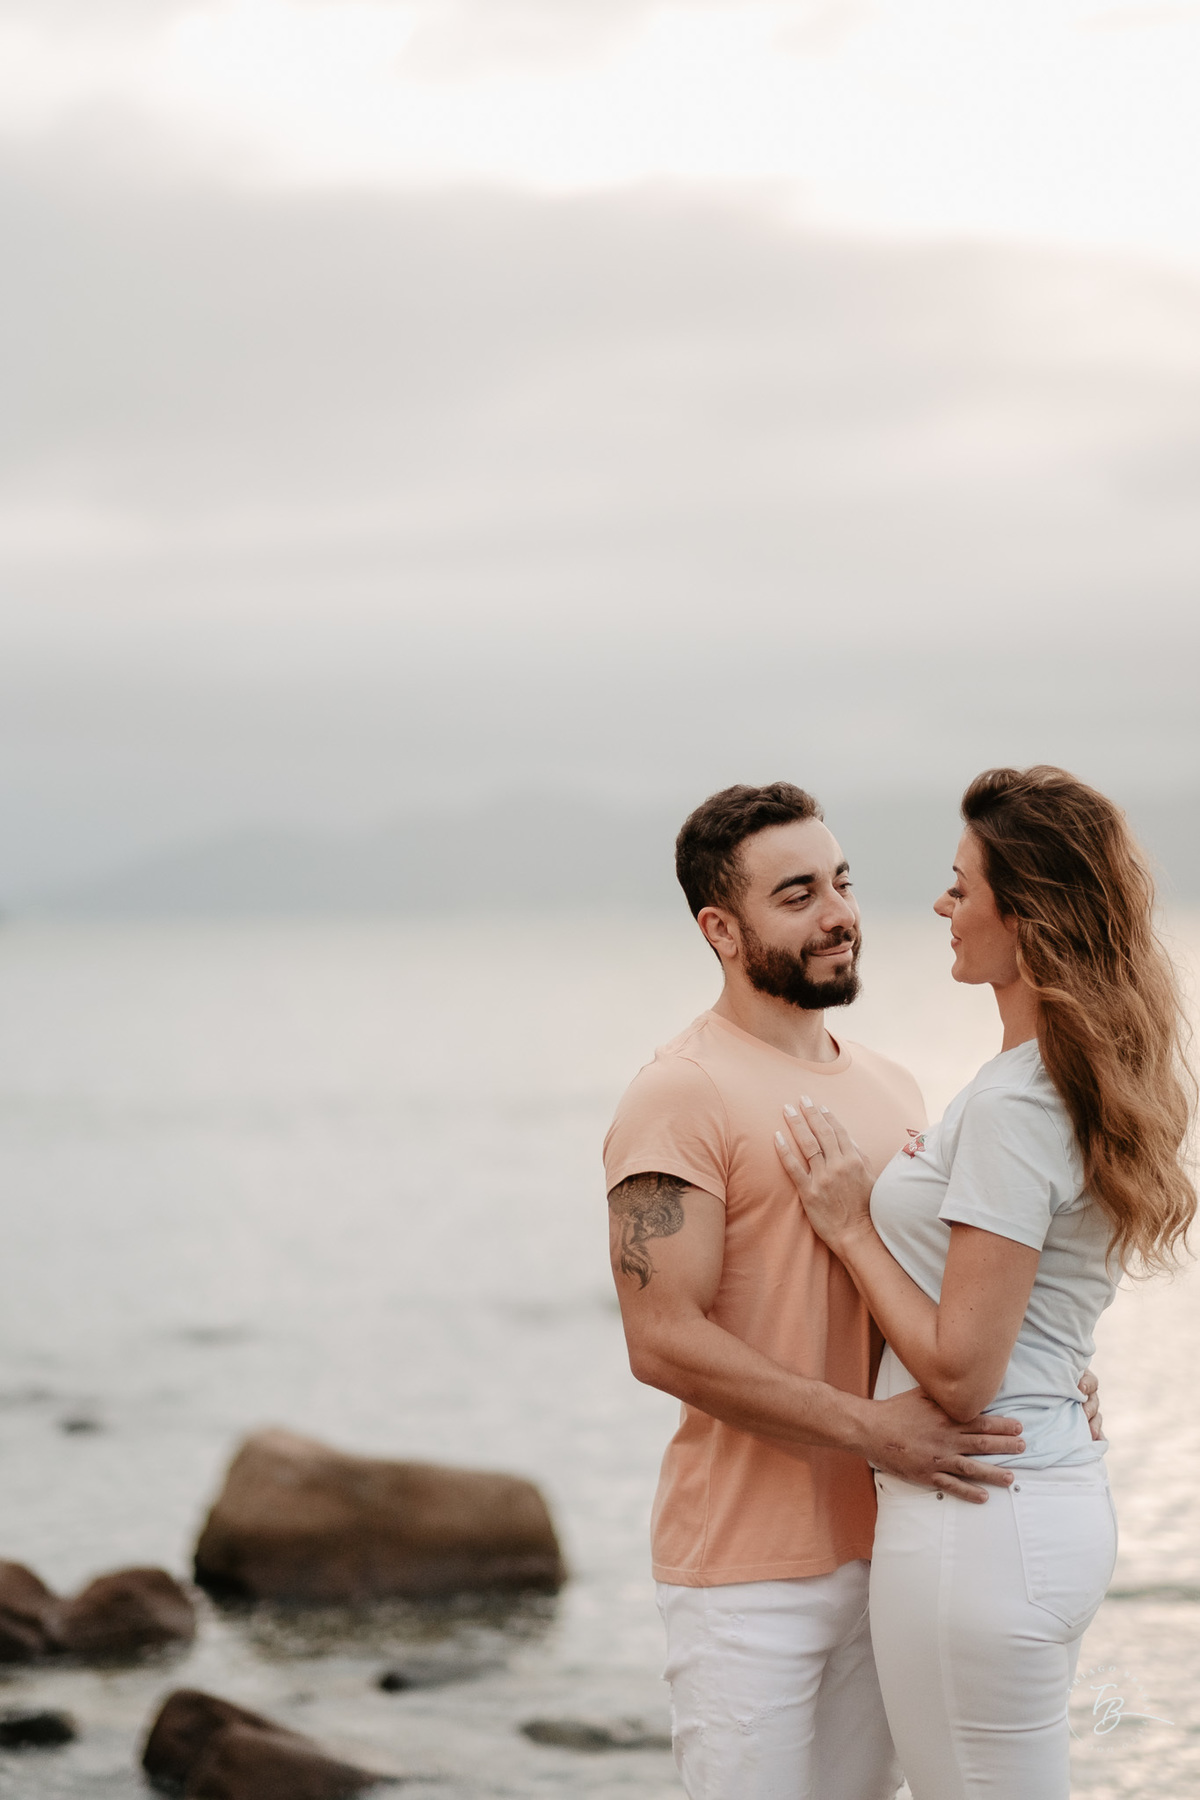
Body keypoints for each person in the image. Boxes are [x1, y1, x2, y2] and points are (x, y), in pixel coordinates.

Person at [604, 782, 1100, 1800]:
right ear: (722, 929)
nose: (839, 915)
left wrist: (1054, 1372)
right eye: (796, 896)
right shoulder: (678, 1093)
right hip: (750, 1578)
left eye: (841, 882)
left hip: (906, 1551)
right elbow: (661, 1341)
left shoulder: (894, 1089)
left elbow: (965, 1282)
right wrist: (876, 1430)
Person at [775, 765, 1195, 1799]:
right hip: (1037, 1502)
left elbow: (963, 1375)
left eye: (962, 886)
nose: (941, 906)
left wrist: (847, 1226)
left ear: (1028, 911)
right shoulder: (1069, 1076)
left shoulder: (1017, 1104)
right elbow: (1042, 1304)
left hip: (980, 1514)